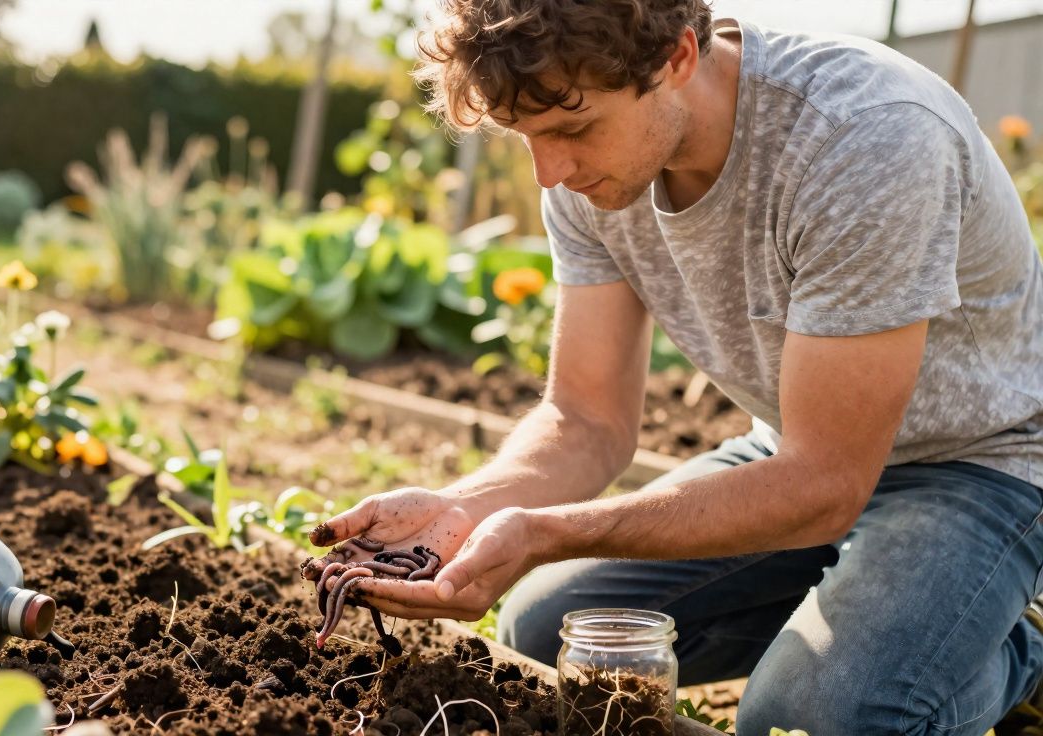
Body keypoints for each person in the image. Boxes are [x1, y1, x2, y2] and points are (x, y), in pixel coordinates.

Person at [304, 1, 1043, 734]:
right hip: (797, 449)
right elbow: (585, 418)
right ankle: (898, 618)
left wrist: (547, 532)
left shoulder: (866, 137)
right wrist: (464, 509)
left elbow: (824, 485)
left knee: (813, 719)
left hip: (981, 464)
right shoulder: (588, 166)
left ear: (679, 57)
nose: (550, 173)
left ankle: (1017, 640)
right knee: (548, 631)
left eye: (572, 130)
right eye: (526, 138)